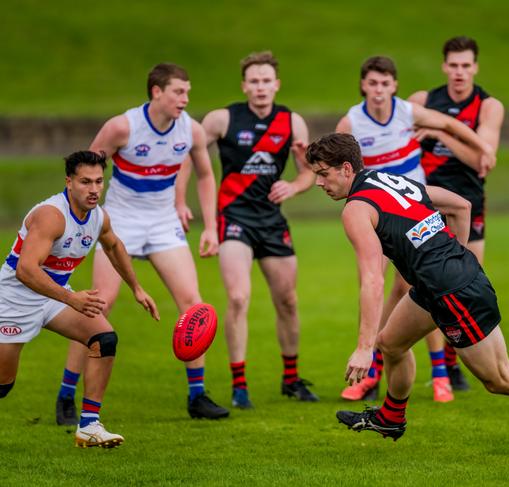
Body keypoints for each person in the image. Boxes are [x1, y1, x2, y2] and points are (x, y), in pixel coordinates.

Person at [306, 133, 509, 450]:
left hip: (452, 292)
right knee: (391, 343)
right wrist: (454, 255)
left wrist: (363, 348)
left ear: (346, 168)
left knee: (500, 378)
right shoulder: (384, 179)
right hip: (439, 285)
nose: (319, 183)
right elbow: (459, 205)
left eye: (323, 173)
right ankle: (391, 417)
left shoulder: (356, 209)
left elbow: (373, 280)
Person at [54, 63, 229, 425]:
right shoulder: (123, 127)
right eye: (179, 92)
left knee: (192, 304)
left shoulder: (191, 130)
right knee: (98, 305)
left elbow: (206, 174)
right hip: (121, 222)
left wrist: (210, 226)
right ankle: (66, 396)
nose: (186, 98)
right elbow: (85, 172)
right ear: (156, 92)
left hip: (164, 223)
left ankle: (197, 396)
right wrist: (78, 225)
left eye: (188, 92)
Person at [335, 55, 495, 402]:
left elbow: (451, 126)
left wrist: (483, 147)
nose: (379, 90)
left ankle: (439, 374)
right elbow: (335, 162)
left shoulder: (406, 112)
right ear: (363, 85)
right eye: (372, 83)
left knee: (419, 287)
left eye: (385, 83)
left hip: (415, 212)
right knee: (372, 288)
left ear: (394, 86)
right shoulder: (351, 122)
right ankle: (371, 371)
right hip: (376, 217)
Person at [176, 51, 317, 409]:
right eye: (254, 81)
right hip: (234, 219)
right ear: (244, 86)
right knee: (238, 298)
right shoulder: (222, 119)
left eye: (266, 80)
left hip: (272, 221)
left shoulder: (292, 123)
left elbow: (309, 171)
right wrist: (179, 199)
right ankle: (240, 386)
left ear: (276, 84)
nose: (260, 87)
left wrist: (295, 186)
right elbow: (186, 155)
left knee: (288, 300)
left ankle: (291, 378)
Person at [0, 151, 159, 447]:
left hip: (53, 295)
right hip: (14, 299)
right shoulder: (51, 216)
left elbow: (113, 247)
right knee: (3, 385)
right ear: (69, 182)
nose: (94, 189)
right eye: (85, 182)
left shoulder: (98, 216)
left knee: (104, 338)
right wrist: (71, 299)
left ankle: (88, 425)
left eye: (99, 181)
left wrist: (137, 288)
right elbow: (25, 270)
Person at [409, 36, 505, 391]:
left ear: (475, 67)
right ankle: (437, 369)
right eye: (454, 64)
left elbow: (481, 160)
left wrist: (441, 130)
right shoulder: (422, 100)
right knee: (423, 286)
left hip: (467, 203)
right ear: (444, 66)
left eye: (466, 65)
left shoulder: (488, 106)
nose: (460, 72)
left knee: (464, 284)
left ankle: (452, 364)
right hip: (425, 203)